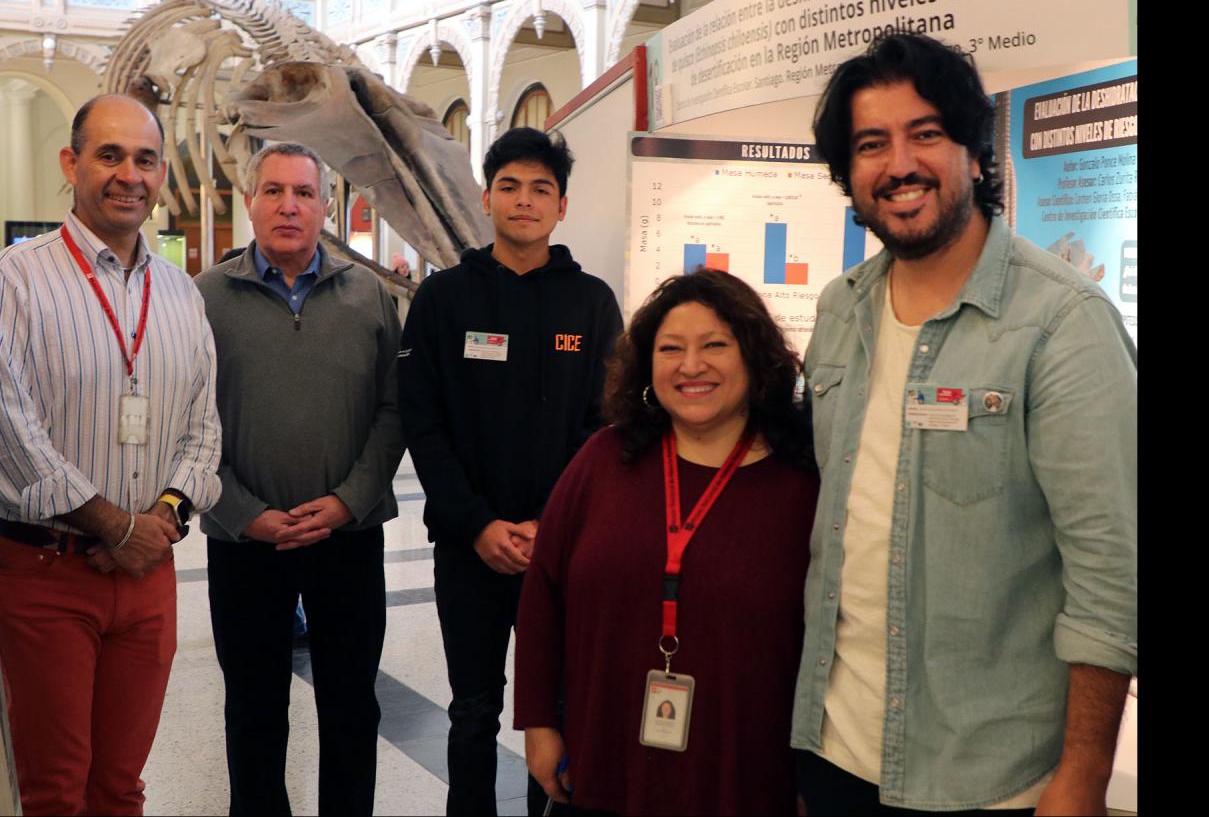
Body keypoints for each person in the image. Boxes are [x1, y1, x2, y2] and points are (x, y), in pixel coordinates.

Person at [792, 33, 1137, 815]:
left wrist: (1081, 773)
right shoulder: (839, 310)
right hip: (834, 749)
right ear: (848, 175)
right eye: (871, 144)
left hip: (990, 774)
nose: (900, 164)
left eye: (927, 134)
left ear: (976, 157)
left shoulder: (1061, 324)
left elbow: (1111, 573)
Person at [515, 269, 820, 816]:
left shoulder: (801, 483)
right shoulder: (605, 459)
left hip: (745, 773)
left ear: (754, 356)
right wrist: (539, 724)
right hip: (605, 756)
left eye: (715, 345)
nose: (692, 365)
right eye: (671, 348)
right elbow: (543, 594)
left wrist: (814, 775)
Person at [0, 93, 222, 815]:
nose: (130, 174)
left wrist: (157, 517)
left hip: (148, 573)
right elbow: (10, 424)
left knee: (121, 785)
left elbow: (203, 424)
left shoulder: (181, 294)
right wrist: (109, 523)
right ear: (72, 163)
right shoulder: (17, 279)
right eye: (110, 155)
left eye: (146, 159)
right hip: (47, 574)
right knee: (56, 790)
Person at [398, 127, 622, 816]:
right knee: (472, 712)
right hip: (470, 551)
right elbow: (423, 425)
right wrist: (478, 523)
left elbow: (605, 426)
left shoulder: (591, 303)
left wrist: (548, 525)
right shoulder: (443, 302)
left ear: (560, 207)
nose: (524, 201)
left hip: (565, 554)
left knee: (555, 713)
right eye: (510, 186)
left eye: (541, 189)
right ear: (487, 197)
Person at [194, 142, 404, 815]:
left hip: (347, 540)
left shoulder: (368, 293)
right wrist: (240, 510)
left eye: (304, 193)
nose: (289, 204)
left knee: (351, 708)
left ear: (326, 207)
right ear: (249, 201)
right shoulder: (205, 298)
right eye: (274, 190)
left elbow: (393, 410)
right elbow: (188, 422)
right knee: (253, 713)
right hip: (244, 544)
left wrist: (348, 502)